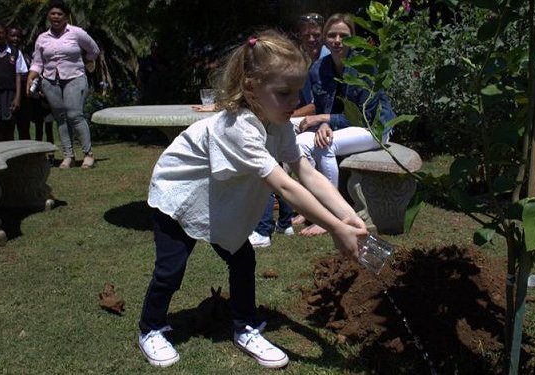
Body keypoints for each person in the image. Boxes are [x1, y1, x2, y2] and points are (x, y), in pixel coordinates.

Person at [138, 29, 367, 369]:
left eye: (296, 92)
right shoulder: (238, 127)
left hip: (216, 197)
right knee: (171, 270)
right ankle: (151, 328)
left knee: (242, 259)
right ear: (250, 87)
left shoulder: (280, 124)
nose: (294, 102)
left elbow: (305, 172)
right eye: (284, 93)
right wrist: (334, 228)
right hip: (180, 195)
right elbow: (285, 187)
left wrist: (348, 216)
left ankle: (244, 326)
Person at [296, 13, 396, 237]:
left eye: (344, 35)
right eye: (331, 35)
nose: (337, 40)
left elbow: (364, 117)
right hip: (343, 127)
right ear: (324, 38)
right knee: (300, 143)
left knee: (325, 145)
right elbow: (325, 108)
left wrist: (325, 121)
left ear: (353, 38)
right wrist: (324, 122)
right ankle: (313, 209)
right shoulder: (319, 69)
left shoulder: (365, 67)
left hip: (375, 129)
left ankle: (334, 216)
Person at [248, 12, 330, 246]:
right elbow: (283, 183)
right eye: (307, 34)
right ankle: (273, 225)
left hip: (306, 119)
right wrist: (336, 223)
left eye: (316, 34)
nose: (312, 39)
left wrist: (341, 219)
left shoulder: (322, 61)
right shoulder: (243, 129)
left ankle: (274, 226)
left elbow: (304, 173)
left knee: (276, 167)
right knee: (272, 169)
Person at [26, 0, 100, 169]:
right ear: (48, 16)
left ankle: (88, 154)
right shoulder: (42, 38)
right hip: (50, 82)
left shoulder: (76, 33)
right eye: (53, 13)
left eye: (59, 14)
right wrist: (31, 76)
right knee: (61, 118)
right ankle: (68, 156)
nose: (56, 17)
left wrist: (85, 62)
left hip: (74, 78)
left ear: (66, 16)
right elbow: (38, 62)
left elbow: (94, 50)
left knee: (75, 115)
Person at [0, 22, 27, 141]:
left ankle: (10, 153)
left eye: (0, 32)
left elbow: (18, 75)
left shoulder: (15, 53)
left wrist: (17, 97)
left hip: (10, 93)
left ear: (6, 34)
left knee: (9, 123)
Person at [7, 26, 31, 140]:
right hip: (7, 97)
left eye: (18, 36)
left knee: (24, 129)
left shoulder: (25, 55)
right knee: (7, 129)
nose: (15, 39)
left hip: (23, 99)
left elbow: (25, 75)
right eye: (12, 36)